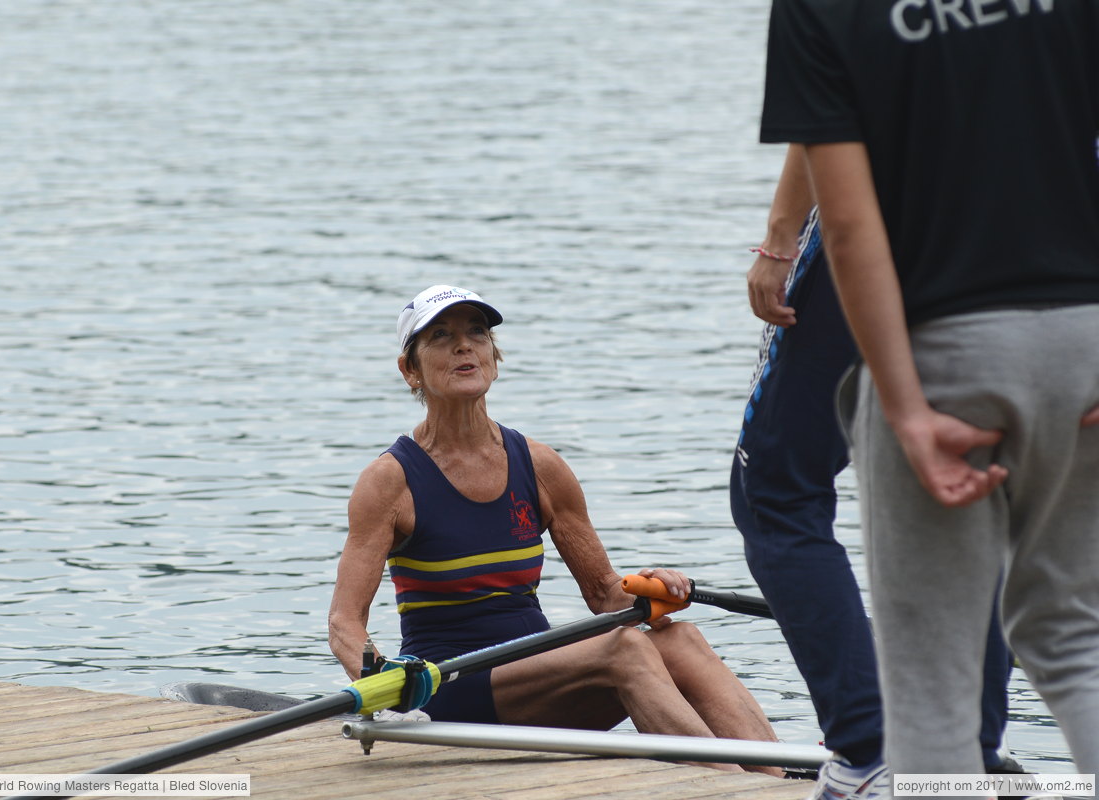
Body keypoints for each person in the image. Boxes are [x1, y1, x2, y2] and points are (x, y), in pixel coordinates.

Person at [761, 0, 1099, 793]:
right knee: (1077, 636)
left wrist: (906, 405)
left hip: (948, 346)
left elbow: (847, 226)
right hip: (1083, 341)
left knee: (929, 681)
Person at [328, 284, 782, 775]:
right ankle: (732, 786)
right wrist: (381, 677)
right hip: (449, 685)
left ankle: (780, 779)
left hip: (544, 675)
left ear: (493, 357)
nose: (464, 346)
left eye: (477, 333)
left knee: (680, 637)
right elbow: (343, 624)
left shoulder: (540, 466)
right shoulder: (390, 481)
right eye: (440, 336)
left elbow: (606, 597)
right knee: (626, 648)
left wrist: (652, 588)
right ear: (410, 369)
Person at [731, 145, 1016, 799]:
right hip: (1016, 229)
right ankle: (965, 761)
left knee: (774, 491)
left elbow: (825, 98)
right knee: (963, 487)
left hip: (872, 201)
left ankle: (870, 753)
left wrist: (779, 240)